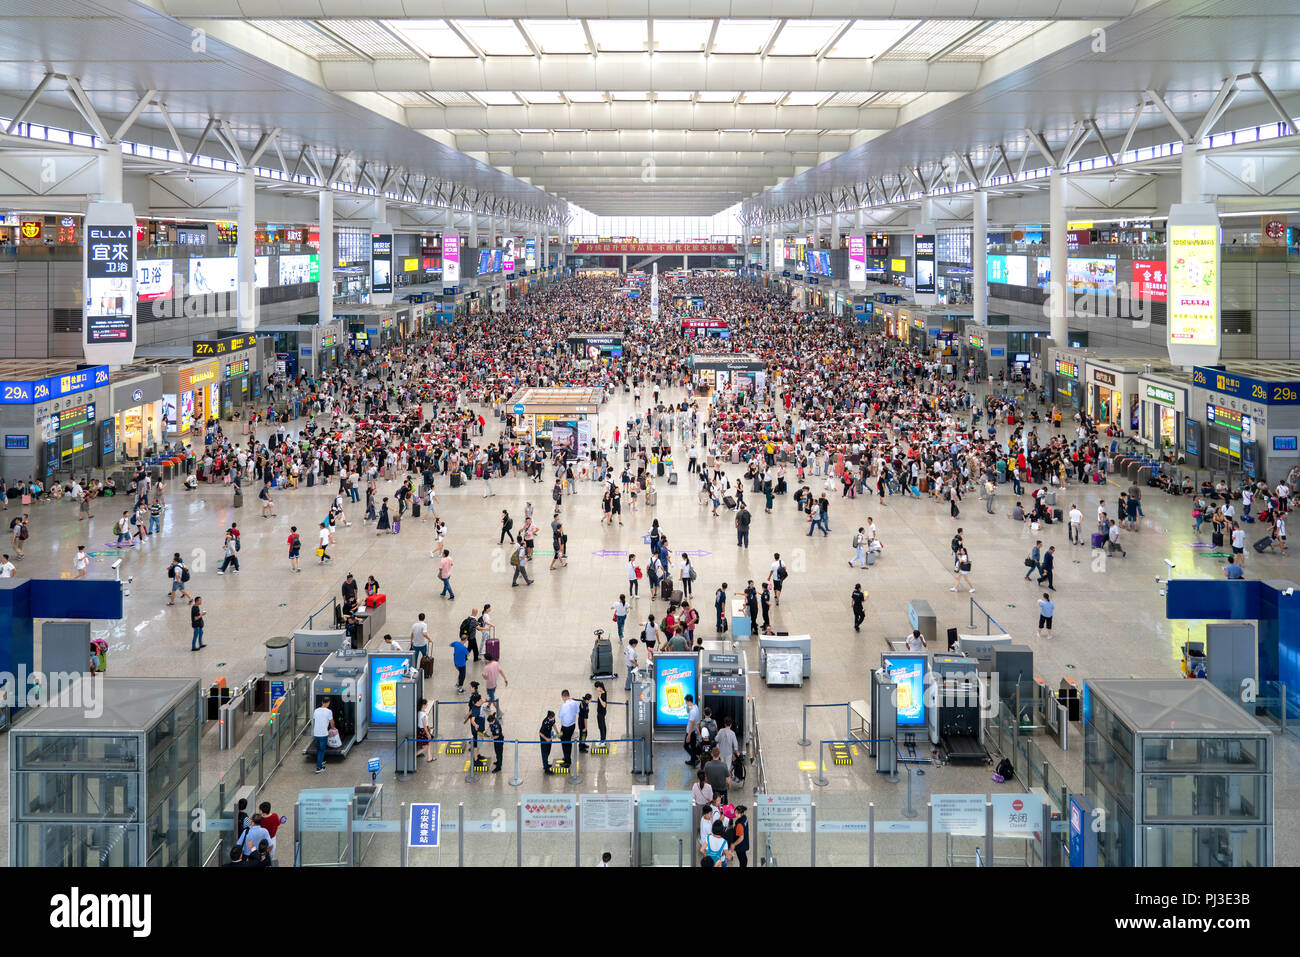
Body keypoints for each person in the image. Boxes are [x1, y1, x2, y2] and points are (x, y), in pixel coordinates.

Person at [312, 697, 335, 773]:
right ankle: (319, 768)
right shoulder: (329, 711)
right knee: (322, 750)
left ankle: (320, 761)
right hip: (323, 734)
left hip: (316, 733)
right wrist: (333, 728)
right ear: (328, 703)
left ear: (322, 702)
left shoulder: (316, 710)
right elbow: (331, 722)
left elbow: (315, 720)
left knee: (319, 749)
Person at [557, 689, 579, 767]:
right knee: (568, 741)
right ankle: (567, 757)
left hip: (565, 727)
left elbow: (559, 715)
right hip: (572, 725)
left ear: (563, 696)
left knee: (564, 743)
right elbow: (577, 711)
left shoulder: (564, 705)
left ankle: (567, 761)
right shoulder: (574, 702)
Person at [683, 693, 701, 767]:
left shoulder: (693, 711)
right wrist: (687, 706)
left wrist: (689, 735)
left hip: (691, 732)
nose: (685, 703)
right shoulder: (695, 706)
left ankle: (695, 758)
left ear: (687, 701)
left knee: (686, 746)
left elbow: (692, 724)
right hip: (693, 731)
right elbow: (687, 711)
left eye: (685, 702)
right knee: (693, 748)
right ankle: (693, 761)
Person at [417, 697, 435, 763]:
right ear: (423, 705)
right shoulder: (423, 715)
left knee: (429, 743)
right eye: (426, 704)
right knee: (426, 746)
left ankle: (430, 757)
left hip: (423, 729)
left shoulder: (420, 712)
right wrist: (427, 733)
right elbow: (424, 725)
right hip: (424, 730)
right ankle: (414, 755)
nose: (427, 705)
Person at [594, 681, 608, 746]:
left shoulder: (603, 694)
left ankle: (602, 741)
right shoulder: (603, 692)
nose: (595, 689)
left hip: (601, 713)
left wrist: (599, 698)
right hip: (602, 712)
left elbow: (604, 705)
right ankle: (603, 739)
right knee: (603, 725)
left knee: (601, 726)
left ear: (599, 687)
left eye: (596, 688)